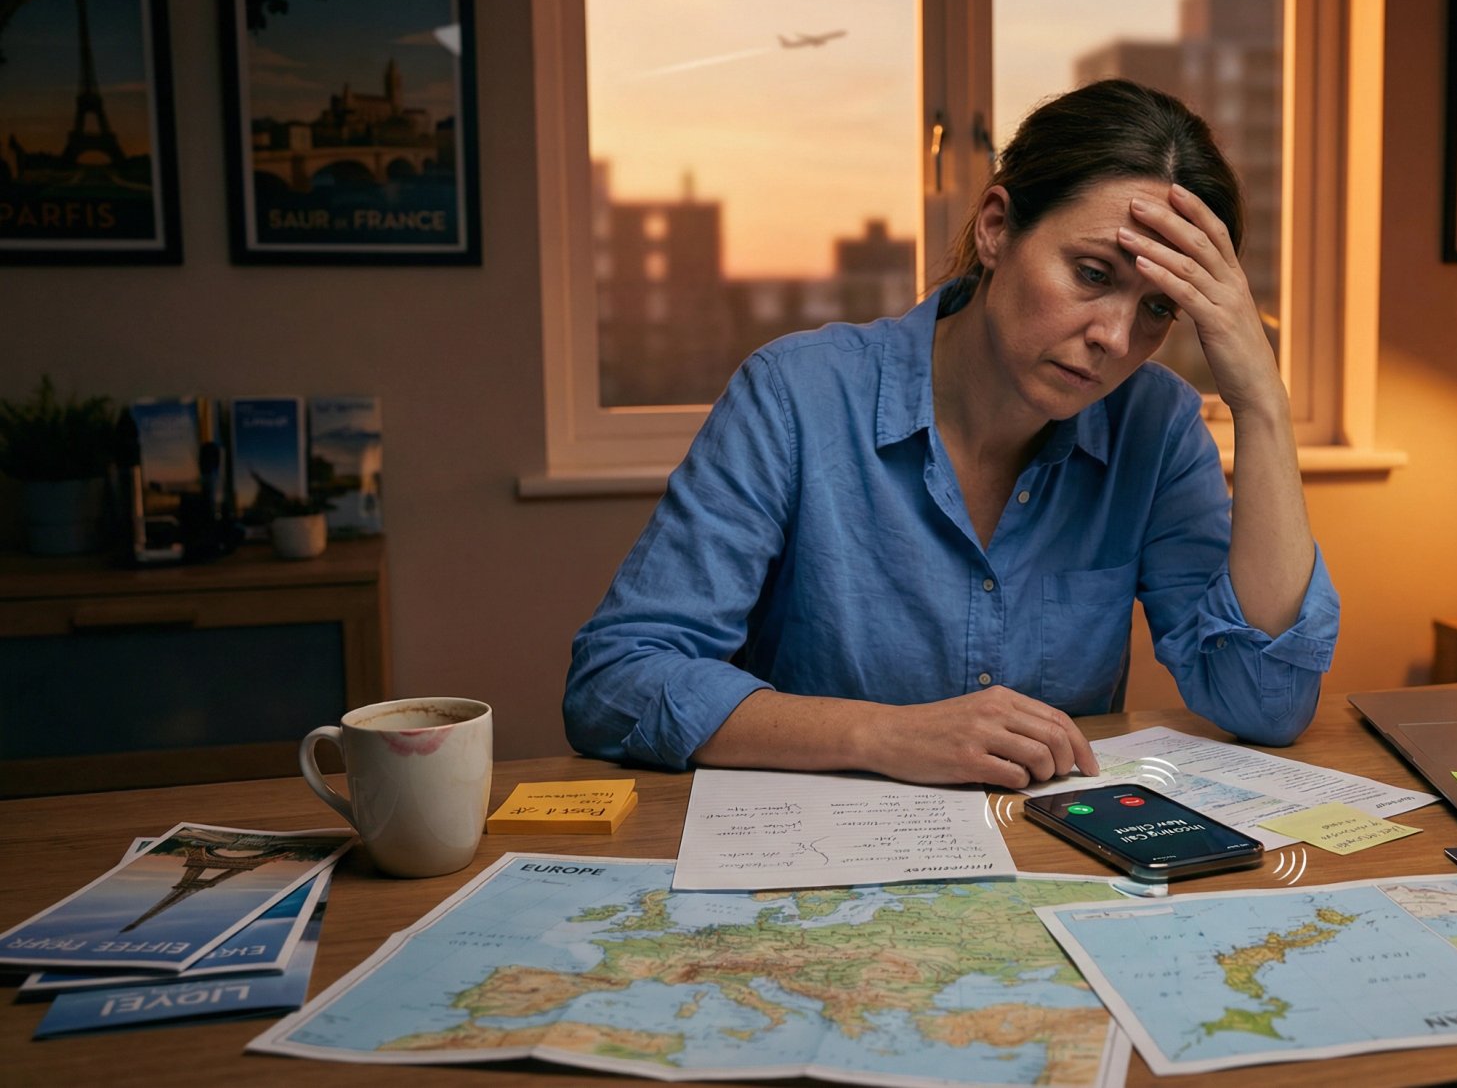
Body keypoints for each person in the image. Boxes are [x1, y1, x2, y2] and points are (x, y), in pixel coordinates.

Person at [563, 78, 1339, 788]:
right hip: (818, 868)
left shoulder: (1157, 426)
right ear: (998, 228)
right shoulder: (797, 395)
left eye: (1158, 309)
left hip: (1049, 870)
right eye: (1094, 274)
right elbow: (617, 681)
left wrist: (1262, 403)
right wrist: (880, 735)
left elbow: (1264, 701)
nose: (1114, 336)